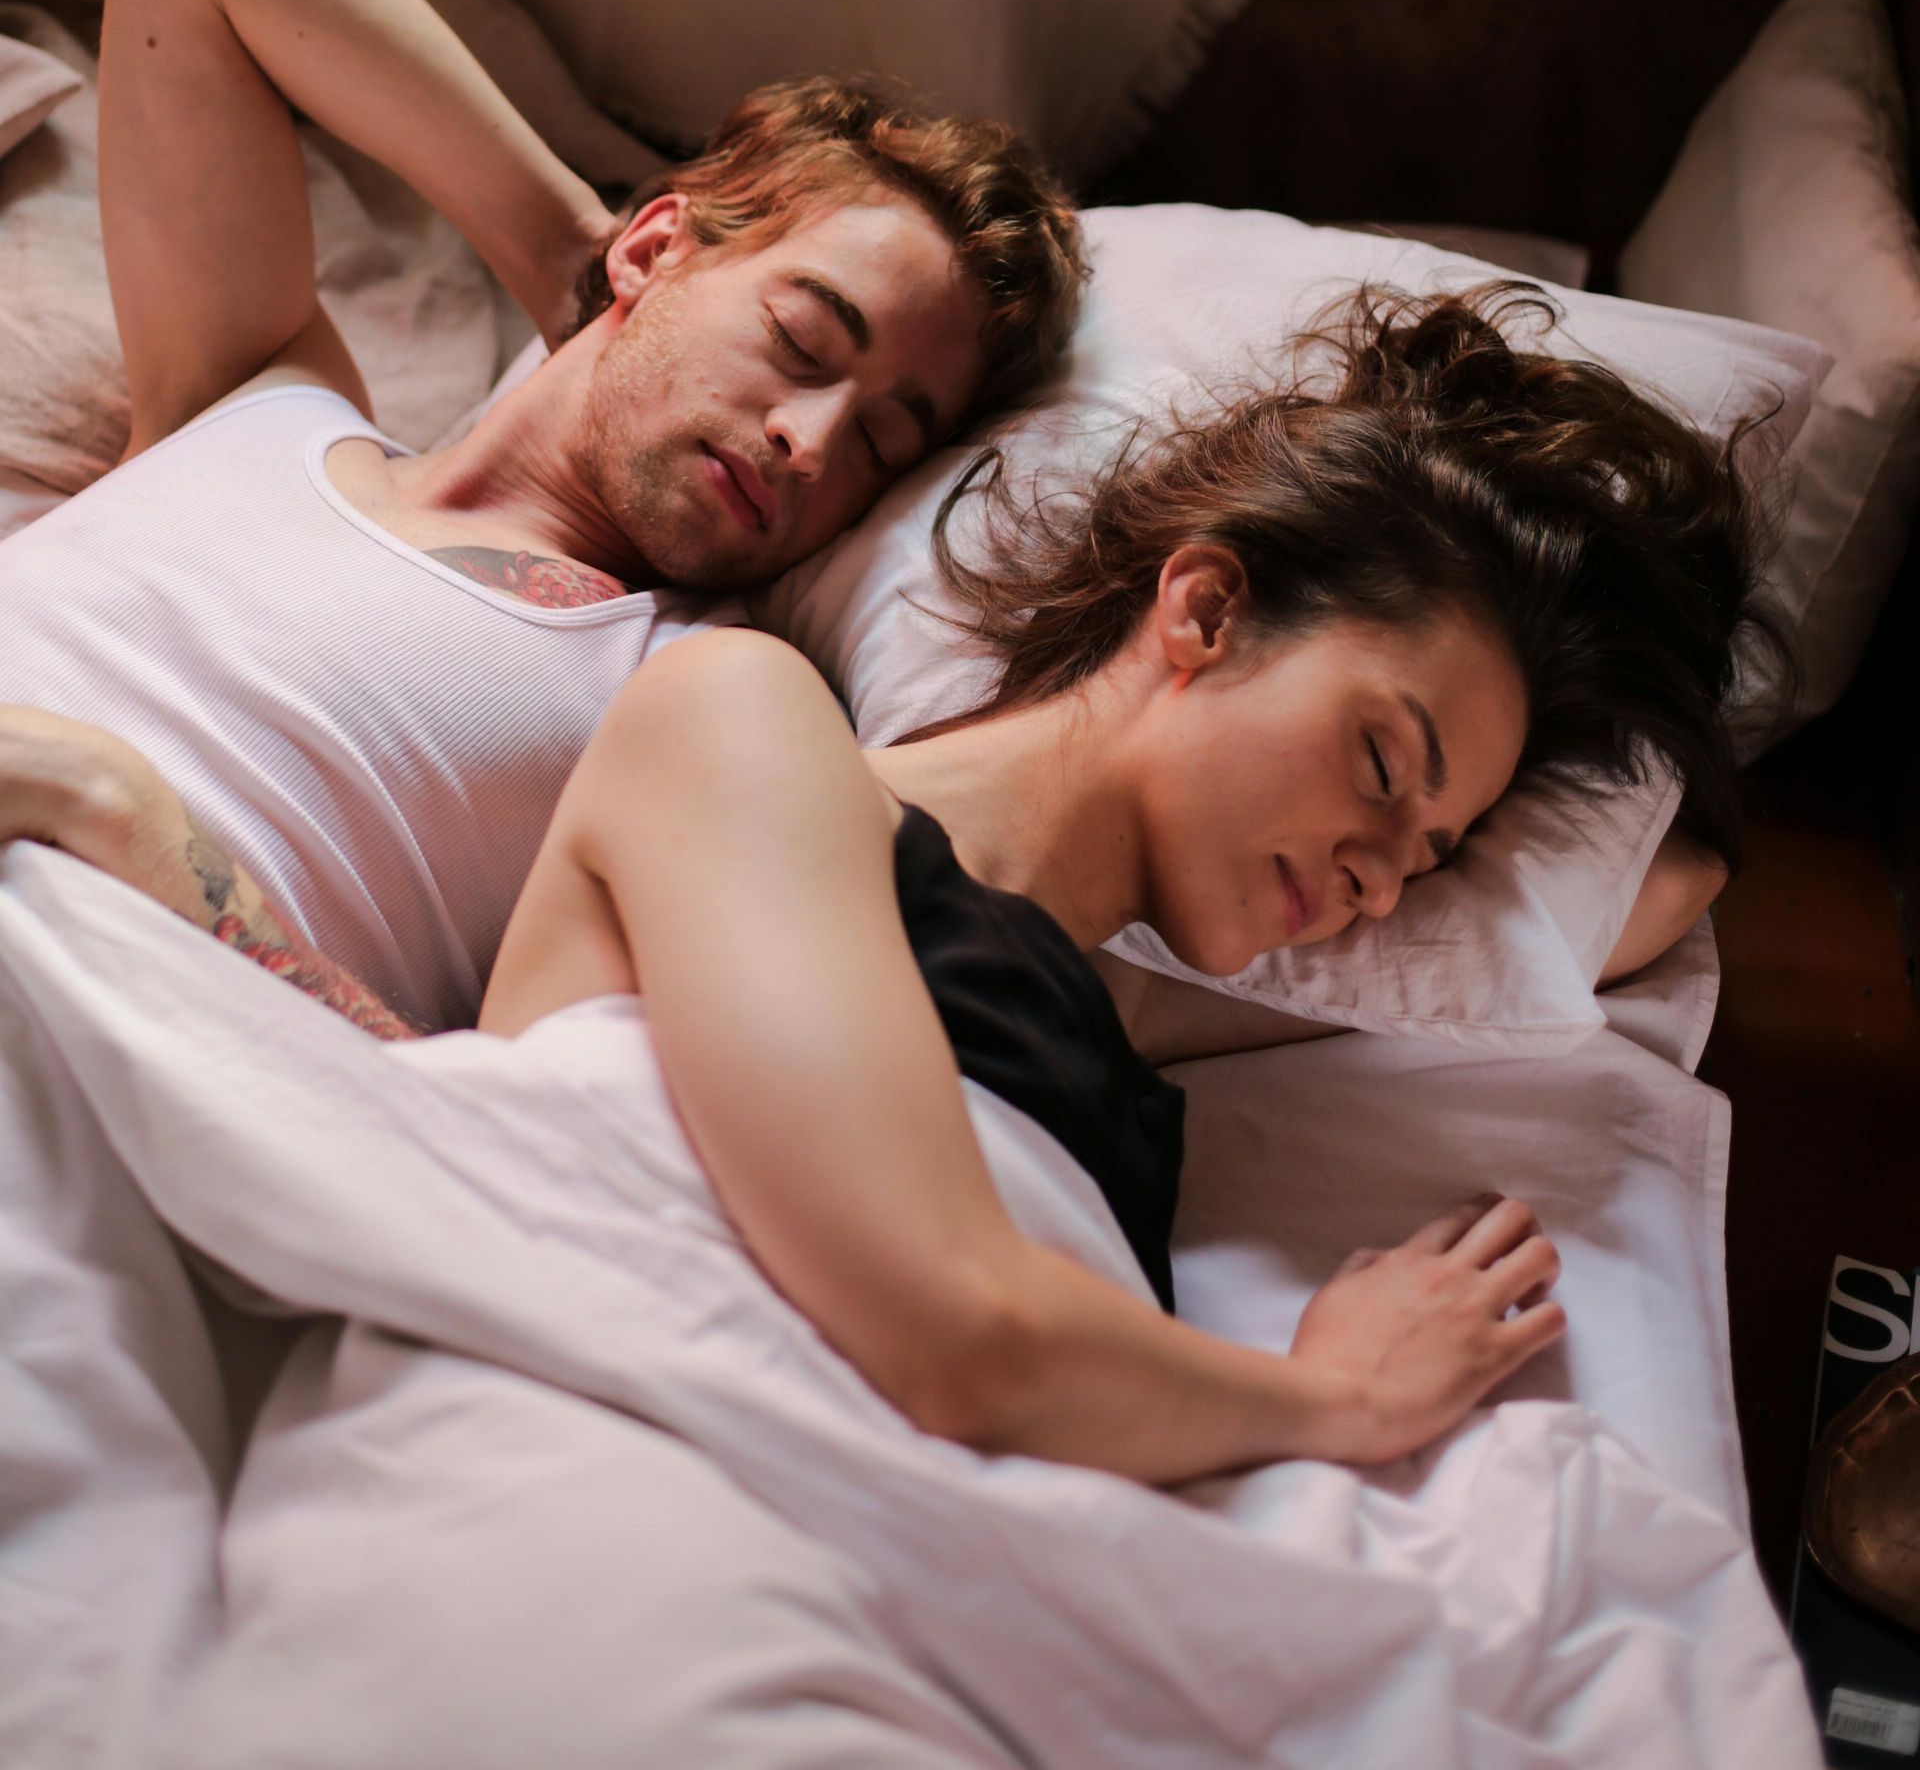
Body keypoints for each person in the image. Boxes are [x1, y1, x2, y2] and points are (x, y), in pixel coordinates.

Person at [0, 285, 1780, 1480]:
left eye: (1436, 856)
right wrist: (1327, 1393)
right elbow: (936, 1325)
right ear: (1208, 608)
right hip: (628, 1469)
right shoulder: (743, 732)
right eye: (1385, 773)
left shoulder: (1140, 1002)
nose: (1393, 886)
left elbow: (1658, 885)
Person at [0, 0, 1085, 1032]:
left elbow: (503, 1125)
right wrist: (559, 244)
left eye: (885, 442)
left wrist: (110, 811)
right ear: (657, 244)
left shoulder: (691, 702)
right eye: (804, 341)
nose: (816, 442)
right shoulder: (256, 396)